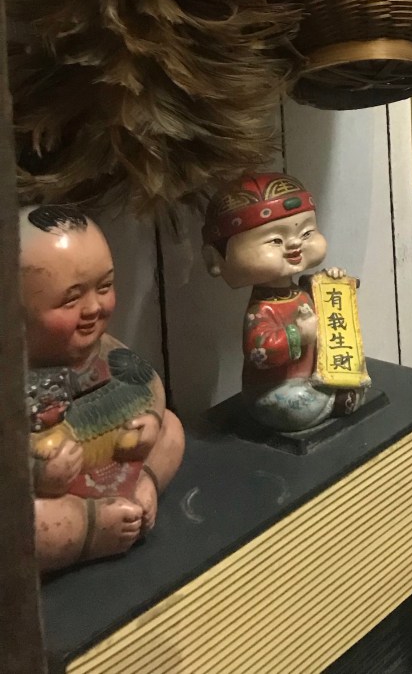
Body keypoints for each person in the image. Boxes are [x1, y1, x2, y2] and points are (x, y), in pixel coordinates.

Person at [20, 205, 185, 570]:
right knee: (26, 521)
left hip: (124, 468)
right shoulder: (12, 381)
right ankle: (94, 531)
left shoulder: (108, 350)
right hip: (65, 502)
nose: (93, 308)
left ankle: (145, 487)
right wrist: (38, 471)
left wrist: (150, 421)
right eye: (71, 299)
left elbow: (149, 385)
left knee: (172, 428)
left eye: (105, 287)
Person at [202, 173, 367, 434]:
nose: (294, 244)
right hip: (274, 387)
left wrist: (332, 283)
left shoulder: (304, 290)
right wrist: (298, 334)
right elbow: (260, 351)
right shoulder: (261, 311)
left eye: (307, 233)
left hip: (312, 375)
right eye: (274, 240)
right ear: (215, 259)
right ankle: (332, 401)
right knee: (294, 405)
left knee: (351, 377)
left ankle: (333, 397)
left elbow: (330, 310)